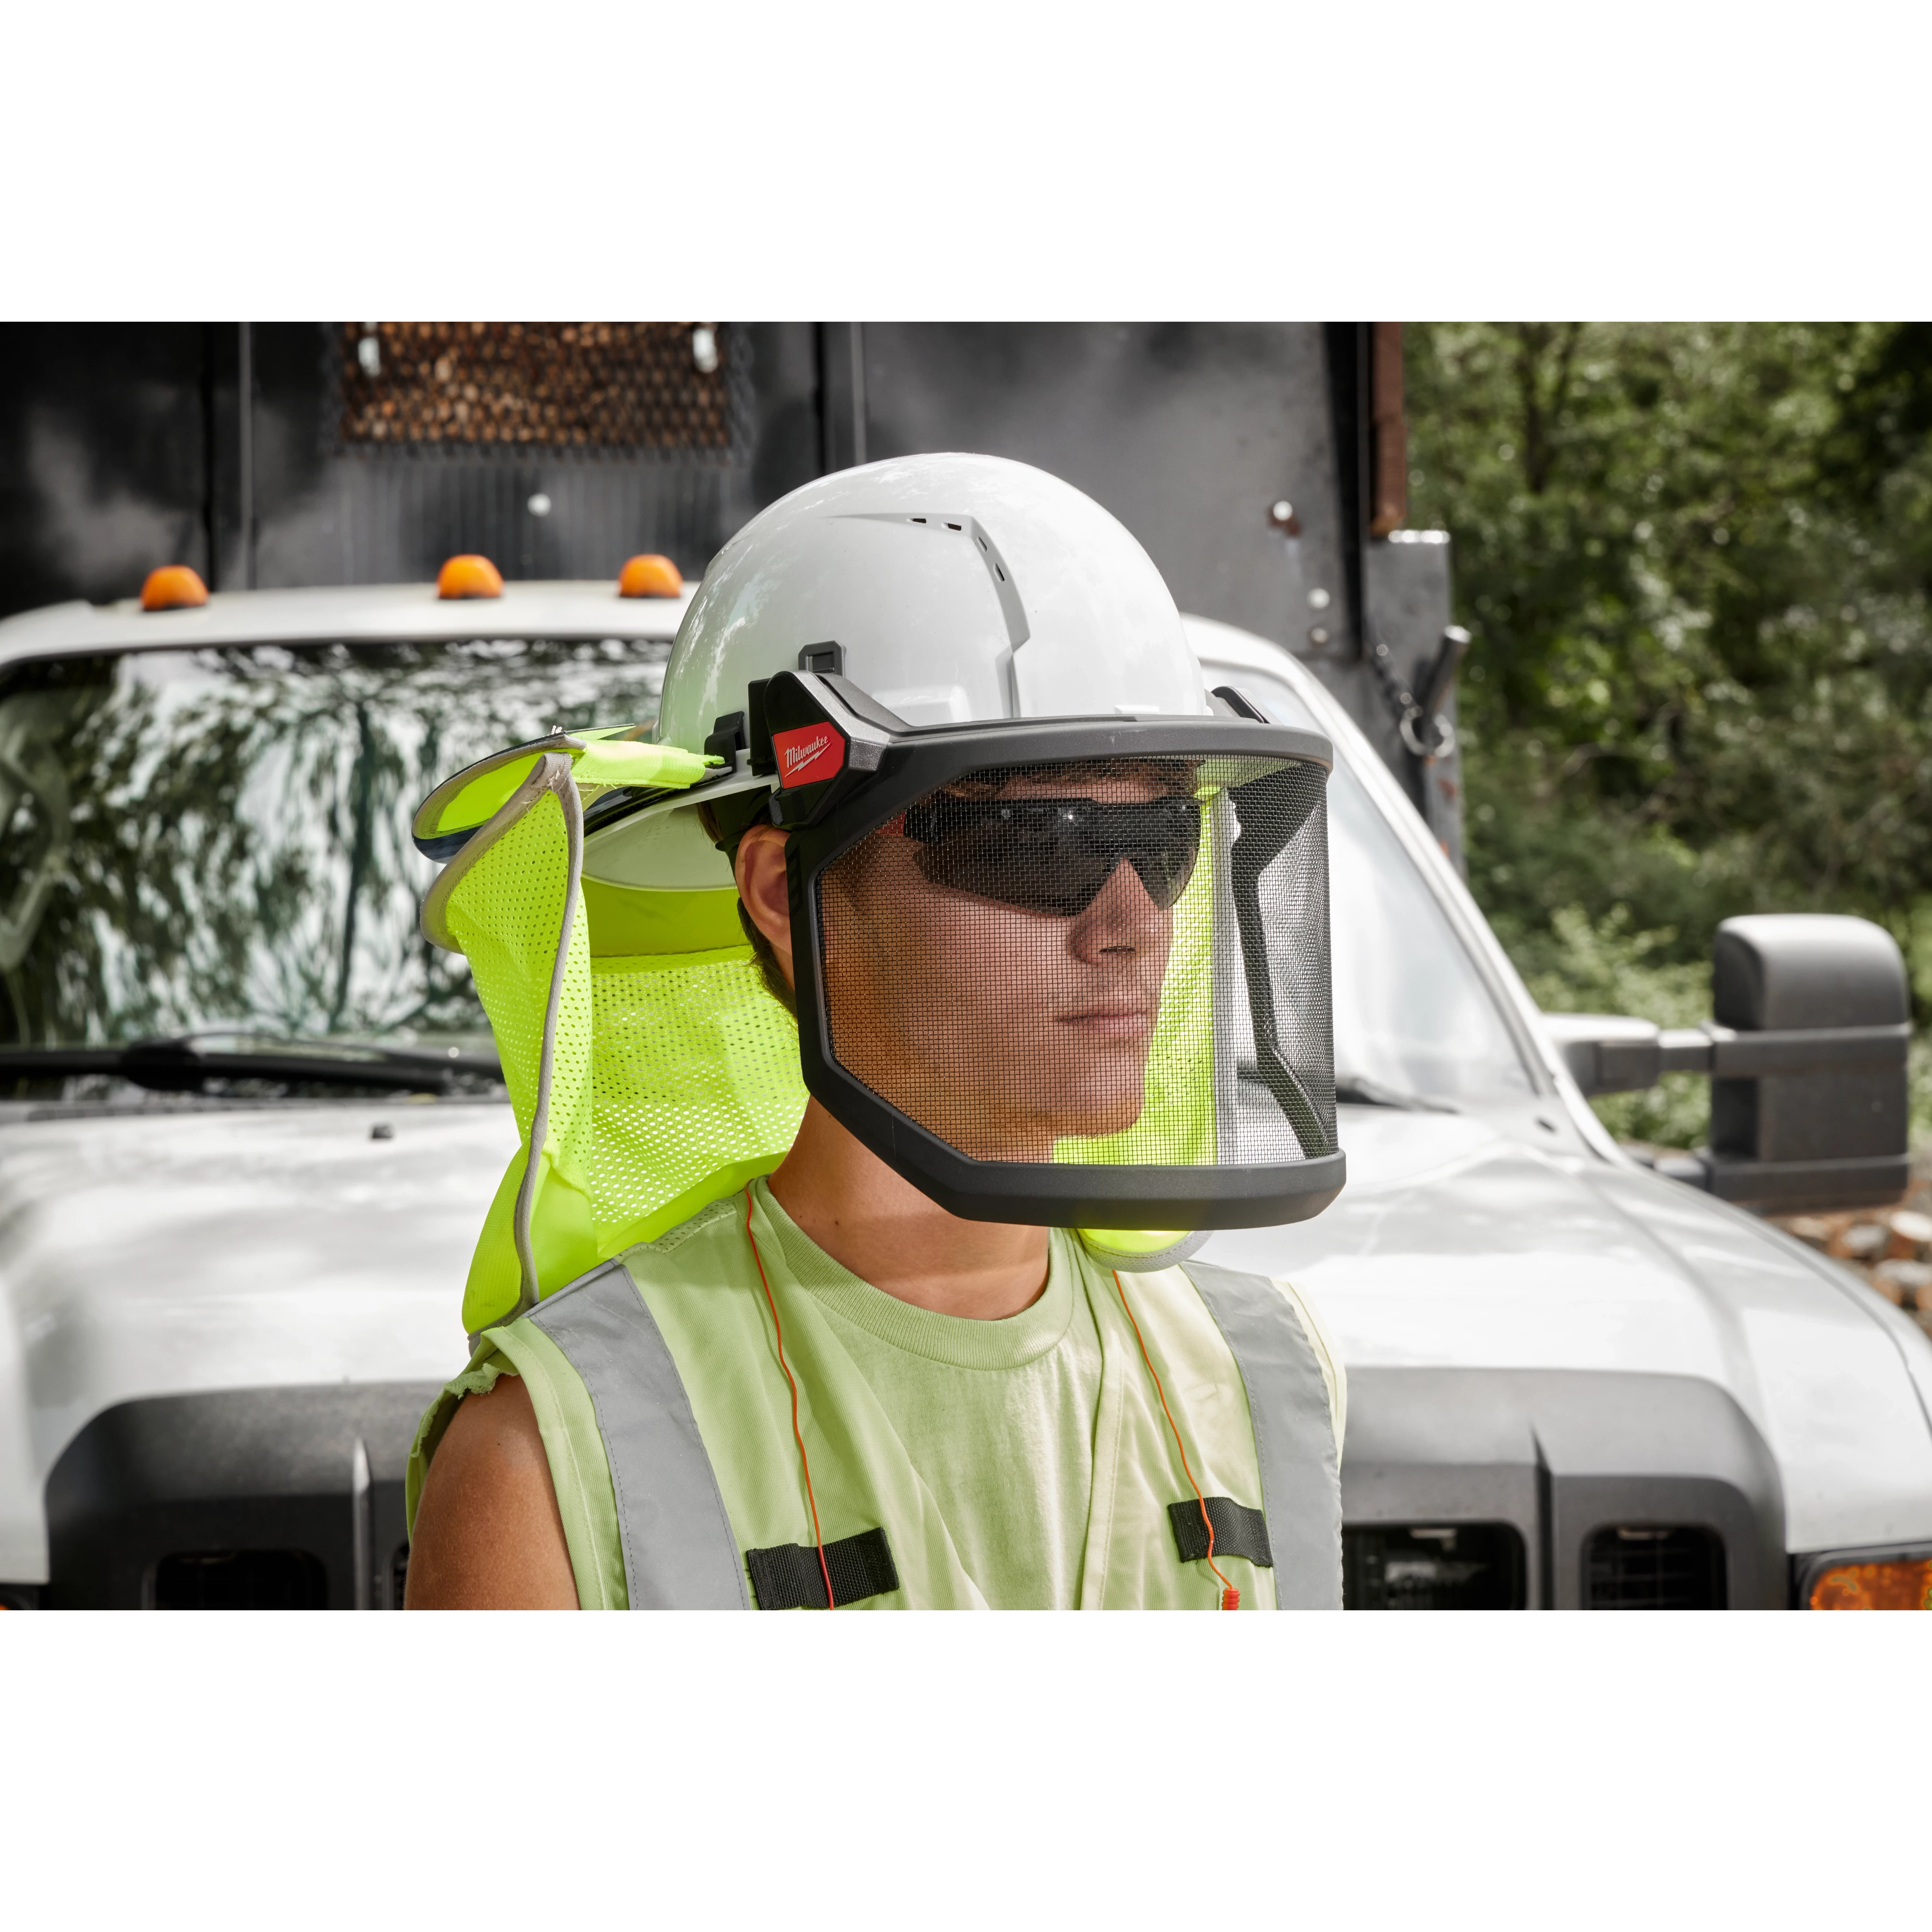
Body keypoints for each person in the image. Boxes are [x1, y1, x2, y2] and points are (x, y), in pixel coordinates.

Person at [404, 454, 1346, 1611]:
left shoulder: (1261, 1370)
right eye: (1033, 838)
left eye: (1158, 839)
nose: (1129, 922)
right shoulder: (552, 1448)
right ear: (776, 889)